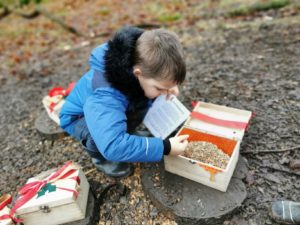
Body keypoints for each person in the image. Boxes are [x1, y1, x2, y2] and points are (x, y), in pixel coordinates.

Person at [59, 26, 189, 178]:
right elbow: (113, 145)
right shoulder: (105, 95)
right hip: (80, 119)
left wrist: (169, 87)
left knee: (144, 99)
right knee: (101, 135)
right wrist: (165, 147)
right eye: (160, 88)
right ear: (137, 73)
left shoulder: (142, 61)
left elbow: (155, 85)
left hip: (113, 108)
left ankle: (127, 133)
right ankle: (102, 159)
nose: (167, 91)